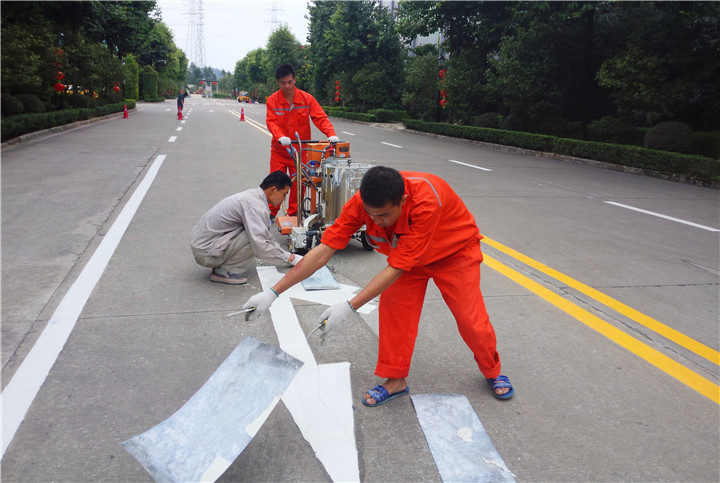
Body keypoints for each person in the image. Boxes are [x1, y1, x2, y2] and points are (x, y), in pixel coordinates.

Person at [242, 166, 514, 405]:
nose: (376, 221)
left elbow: (396, 267)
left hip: (453, 253)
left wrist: (349, 307)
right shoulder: (361, 202)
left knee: (470, 319)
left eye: (384, 215)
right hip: (409, 259)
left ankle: (492, 370)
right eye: (371, 215)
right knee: (395, 314)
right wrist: (273, 292)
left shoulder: (427, 200)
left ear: (403, 200)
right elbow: (325, 249)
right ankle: (395, 380)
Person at [190, 171, 303, 285]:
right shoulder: (255, 205)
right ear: (273, 189)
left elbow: (265, 233)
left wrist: (289, 256)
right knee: (253, 238)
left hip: (204, 246)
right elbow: (261, 244)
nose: (284, 199)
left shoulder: (252, 196)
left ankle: (224, 264)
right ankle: (225, 271)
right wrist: (290, 258)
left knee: (256, 232)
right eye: (284, 194)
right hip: (206, 254)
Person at [266, 63, 339, 218]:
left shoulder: (306, 99)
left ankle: (293, 214)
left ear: (295, 80)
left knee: (298, 184)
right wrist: (280, 137)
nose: (287, 86)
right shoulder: (273, 101)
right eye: (283, 83)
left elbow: (320, 117)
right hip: (280, 150)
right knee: (275, 184)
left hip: (299, 151)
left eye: (290, 82)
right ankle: (271, 213)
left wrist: (330, 134)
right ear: (278, 83)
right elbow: (271, 122)